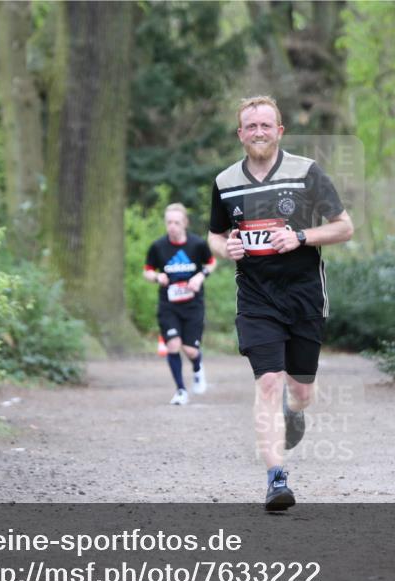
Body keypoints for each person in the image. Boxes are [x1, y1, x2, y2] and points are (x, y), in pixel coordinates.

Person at [208, 96, 353, 511]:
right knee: (269, 381)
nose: (258, 132)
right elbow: (216, 234)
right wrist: (225, 248)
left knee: (300, 389)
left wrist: (301, 237)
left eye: (265, 125)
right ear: (240, 133)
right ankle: (276, 478)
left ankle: (296, 409)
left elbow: (344, 227)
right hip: (256, 299)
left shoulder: (306, 173)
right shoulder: (225, 182)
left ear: (280, 131)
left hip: (304, 296)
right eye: (251, 126)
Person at [144, 203, 216, 405]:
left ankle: (197, 368)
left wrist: (200, 276)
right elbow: (147, 270)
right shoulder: (158, 247)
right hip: (169, 305)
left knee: (190, 350)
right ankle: (181, 390)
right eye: (169, 222)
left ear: (185, 223)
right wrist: (157, 277)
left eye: (176, 222)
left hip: (193, 305)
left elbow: (211, 263)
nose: (172, 226)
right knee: (173, 345)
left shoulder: (197, 244)